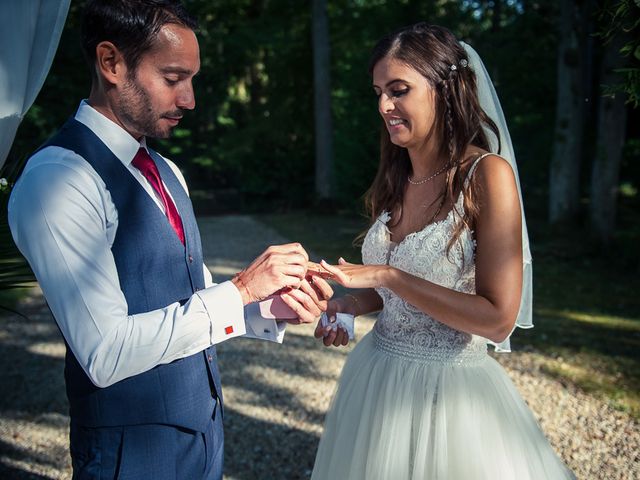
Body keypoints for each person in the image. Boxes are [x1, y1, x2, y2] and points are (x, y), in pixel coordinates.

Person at [8, 1, 332, 479]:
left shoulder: (165, 170)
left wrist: (266, 305)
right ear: (111, 63)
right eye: (173, 78)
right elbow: (105, 353)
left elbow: (189, 300)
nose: (190, 99)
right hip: (131, 457)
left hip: (203, 438)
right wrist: (241, 288)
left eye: (192, 80)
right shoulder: (59, 178)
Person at [310, 23, 575, 479]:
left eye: (399, 90)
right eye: (378, 92)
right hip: (377, 378)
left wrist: (386, 277)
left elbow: (497, 318)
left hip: (450, 394)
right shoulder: (397, 177)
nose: (384, 106)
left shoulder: (487, 176)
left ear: (445, 89)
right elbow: (402, 288)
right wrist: (349, 303)